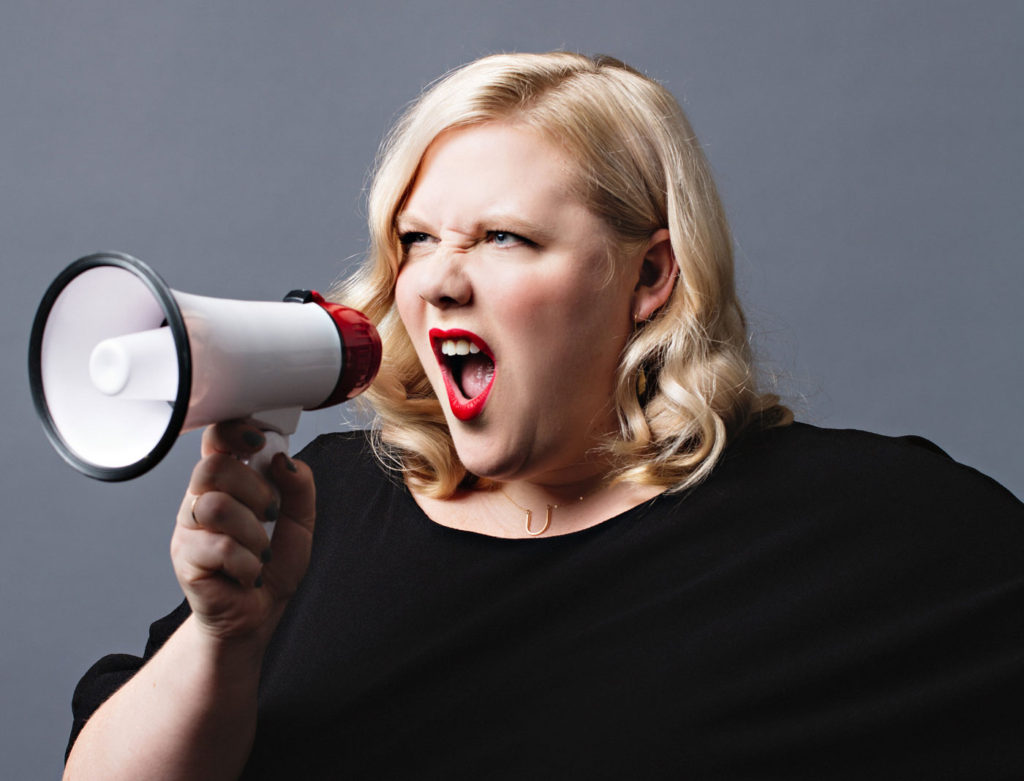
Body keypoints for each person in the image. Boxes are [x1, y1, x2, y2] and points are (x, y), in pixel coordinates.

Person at [64, 52, 1024, 780]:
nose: (438, 280)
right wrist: (224, 638)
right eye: (417, 238)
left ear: (650, 275)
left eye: (504, 238)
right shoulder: (323, 510)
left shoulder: (869, 523)